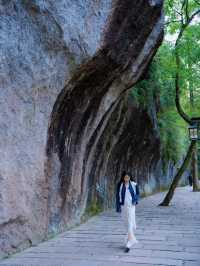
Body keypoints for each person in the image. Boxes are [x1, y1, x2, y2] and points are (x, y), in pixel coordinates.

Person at [116, 171, 140, 252]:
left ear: (130, 177)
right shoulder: (120, 185)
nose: (126, 179)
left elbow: (137, 194)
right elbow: (117, 196)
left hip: (131, 206)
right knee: (125, 222)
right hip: (123, 206)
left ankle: (129, 243)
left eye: (128, 177)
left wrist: (134, 200)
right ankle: (131, 239)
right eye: (125, 177)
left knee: (130, 222)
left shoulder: (134, 184)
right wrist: (118, 206)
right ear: (123, 177)